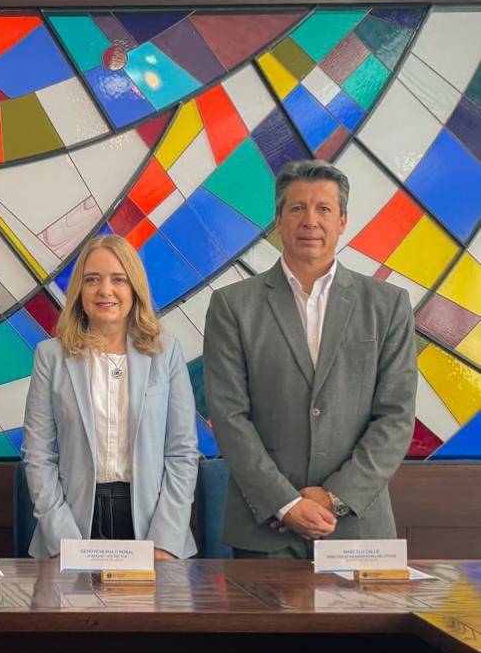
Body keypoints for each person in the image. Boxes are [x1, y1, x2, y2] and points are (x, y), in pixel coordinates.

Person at [204, 159, 416, 558]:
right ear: (278, 220)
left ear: (342, 221)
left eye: (324, 209)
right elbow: (229, 415)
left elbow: (396, 416)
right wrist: (285, 502)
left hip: (357, 528)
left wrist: (334, 497)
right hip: (266, 529)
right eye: (297, 208)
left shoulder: (387, 304)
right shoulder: (233, 306)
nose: (310, 221)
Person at [22, 234, 198, 558]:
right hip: (72, 523)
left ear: (134, 288)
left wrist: (164, 542)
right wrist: (63, 542)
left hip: (153, 526)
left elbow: (182, 452)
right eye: (92, 279)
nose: (105, 290)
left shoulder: (166, 354)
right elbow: (38, 455)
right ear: (79, 290)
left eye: (118, 279)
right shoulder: (50, 356)